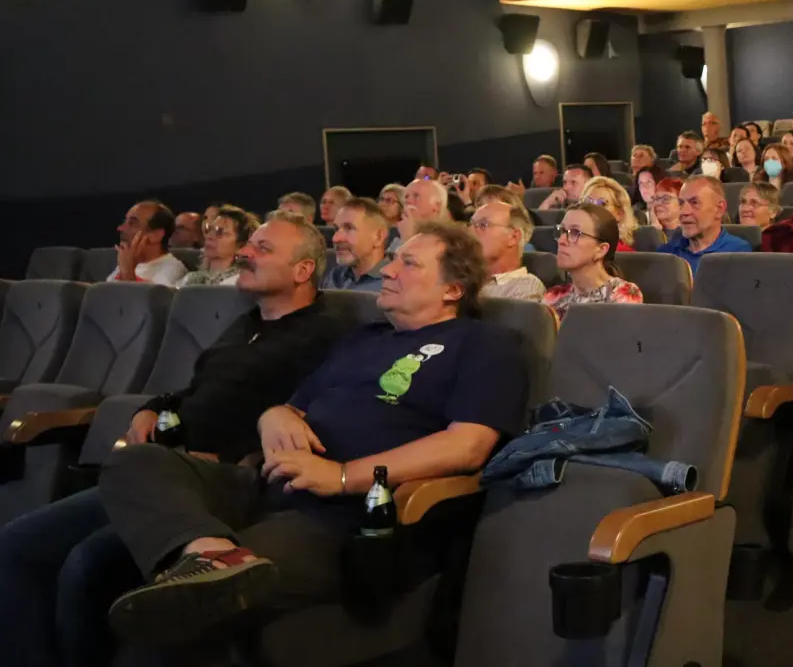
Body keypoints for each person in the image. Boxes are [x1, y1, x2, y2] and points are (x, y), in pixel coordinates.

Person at [96, 222, 529, 647]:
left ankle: (215, 564)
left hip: (340, 518)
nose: (389, 270)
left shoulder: (485, 344)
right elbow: (294, 406)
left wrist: (342, 475)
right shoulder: (364, 339)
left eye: (409, 263)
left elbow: (469, 446)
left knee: (169, 604)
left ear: (452, 289)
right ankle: (211, 552)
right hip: (264, 484)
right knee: (135, 460)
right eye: (393, 258)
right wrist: (274, 415)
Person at [0, 215, 349, 667]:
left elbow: (317, 418)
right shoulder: (246, 325)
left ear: (303, 271)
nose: (245, 253)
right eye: (250, 246)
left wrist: (236, 459)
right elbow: (198, 389)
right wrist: (153, 405)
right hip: (162, 469)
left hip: (218, 484)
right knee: (15, 546)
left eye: (263, 249)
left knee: (86, 567)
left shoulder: (328, 334)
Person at [543, 205, 644, 316]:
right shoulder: (553, 297)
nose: (561, 240)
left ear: (601, 250)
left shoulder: (622, 294)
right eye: (562, 230)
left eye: (575, 233)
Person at [657, 176, 752, 273]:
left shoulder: (738, 253)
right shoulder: (665, 254)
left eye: (694, 202)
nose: (684, 212)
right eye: (681, 203)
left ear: (719, 209)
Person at [471, 197, 544, 301]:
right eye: (472, 224)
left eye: (483, 225)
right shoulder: (464, 279)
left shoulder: (526, 286)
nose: (471, 231)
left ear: (513, 237)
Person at [109, 200, 188, 286]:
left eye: (132, 223)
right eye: (124, 222)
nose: (121, 228)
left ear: (156, 235)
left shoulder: (173, 269)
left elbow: (147, 299)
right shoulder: (126, 262)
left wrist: (128, 273)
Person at [322, 198, 392, 292]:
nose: (335, 238)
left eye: (349, 228)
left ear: (378, 237)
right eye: (336, 229)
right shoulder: (335, 276)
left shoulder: (396, 283)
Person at [179, 206, 259, 287]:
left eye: (220, 231)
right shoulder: (190, 280)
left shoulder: (239, 283)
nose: (209, 236)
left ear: (241, 246)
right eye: (209, 229)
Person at [391, 178, 449, 255]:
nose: (408, 201)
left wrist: (409, 238)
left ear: (436, 206)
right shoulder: (395, 233)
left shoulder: (448, 241)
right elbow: (386, 266)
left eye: (416, 196)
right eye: (406, 197)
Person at [580, 176, 639, 252]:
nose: (593, 208)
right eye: (588, 202)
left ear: (619, 214)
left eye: (602, 203)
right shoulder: (570, 247)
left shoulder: (625, 254)